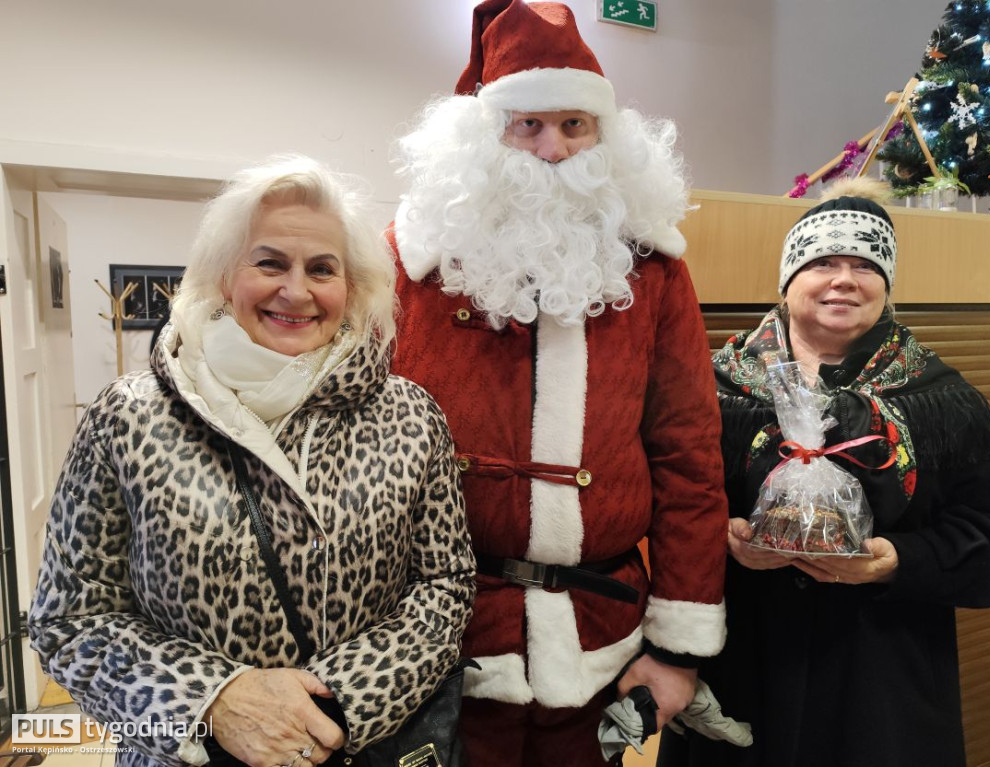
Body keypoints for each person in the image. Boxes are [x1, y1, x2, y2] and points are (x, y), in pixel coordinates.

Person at [29, 156, 476, 767]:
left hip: (361, 751)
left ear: (351, 291)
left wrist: (336, 705)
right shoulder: (128, 416)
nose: (296, 291)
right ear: (222, 277)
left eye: (323, 269)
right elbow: (71, 618)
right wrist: (213, 700)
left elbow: (444, 587)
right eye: (269, 262)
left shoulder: (409, 414)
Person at [388, 1, 729, 764]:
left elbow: (688, 457)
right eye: (529, 125)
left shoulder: (653, 271)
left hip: (600, 639)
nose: (555, 149)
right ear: (486, 137)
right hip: (442, 640)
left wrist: (678, 647)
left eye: (575, 126)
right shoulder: (410, 269)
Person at [657, 178, 990, 767]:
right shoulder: (710, 388)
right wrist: (722, 540)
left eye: (865, 265)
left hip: (884, 691)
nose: (844, 279)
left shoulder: (943, 400)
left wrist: (896, 562)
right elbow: (656, 511)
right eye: (823, 261)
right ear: (789, 280)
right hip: (740, 673)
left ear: (886, 286)